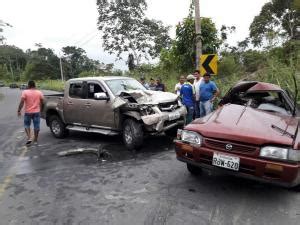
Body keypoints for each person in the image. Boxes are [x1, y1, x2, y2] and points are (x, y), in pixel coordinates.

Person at [17, 80, 44, 145]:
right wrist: (41, 109)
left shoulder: (25, 92)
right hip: (36, 112)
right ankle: (35, 140)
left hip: (28, 112)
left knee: (26, 125)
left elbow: (22, 102)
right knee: (36, 126)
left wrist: (19, 110)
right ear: (35, 85)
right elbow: (42, 101)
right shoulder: (39, 92)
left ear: (28, 85)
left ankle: (29, 138)